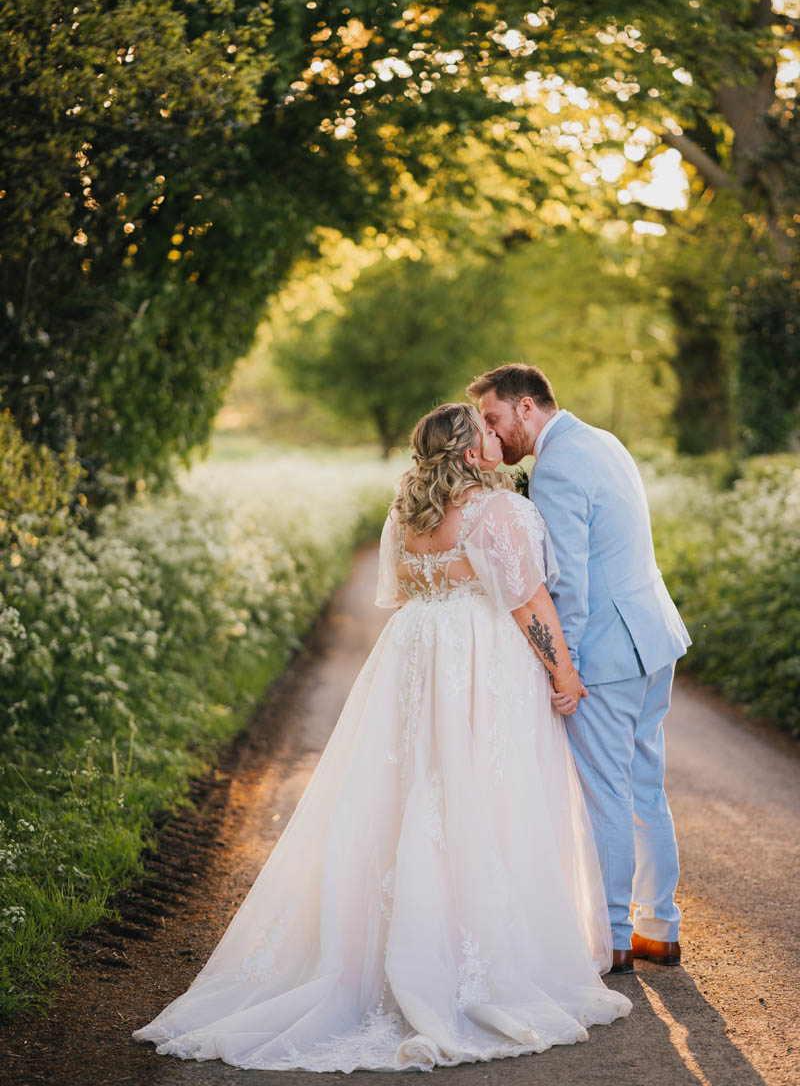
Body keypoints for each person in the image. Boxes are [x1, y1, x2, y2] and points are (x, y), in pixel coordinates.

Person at [132, 402, 631, 1072]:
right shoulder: (498, 511)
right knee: (483, 794)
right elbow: (528, 602)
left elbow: (399, 595)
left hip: (415, 656)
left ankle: (398, 948)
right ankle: (472, 959)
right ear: (468, 450)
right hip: (480, 663)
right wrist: (562, 671)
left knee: (409, 795)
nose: (496, 436)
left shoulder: (405, 512)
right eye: (485, 432)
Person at [469, 364, 690, 975]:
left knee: (605, 793)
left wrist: (559, 667)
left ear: (525, 408)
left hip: (608, 652)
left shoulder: (557, 466)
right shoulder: (601, 440)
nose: (492, 433)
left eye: (493, 419)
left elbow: (569, 584)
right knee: (645, 785)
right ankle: (658, 928)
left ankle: (615, 936)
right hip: (652, 637)